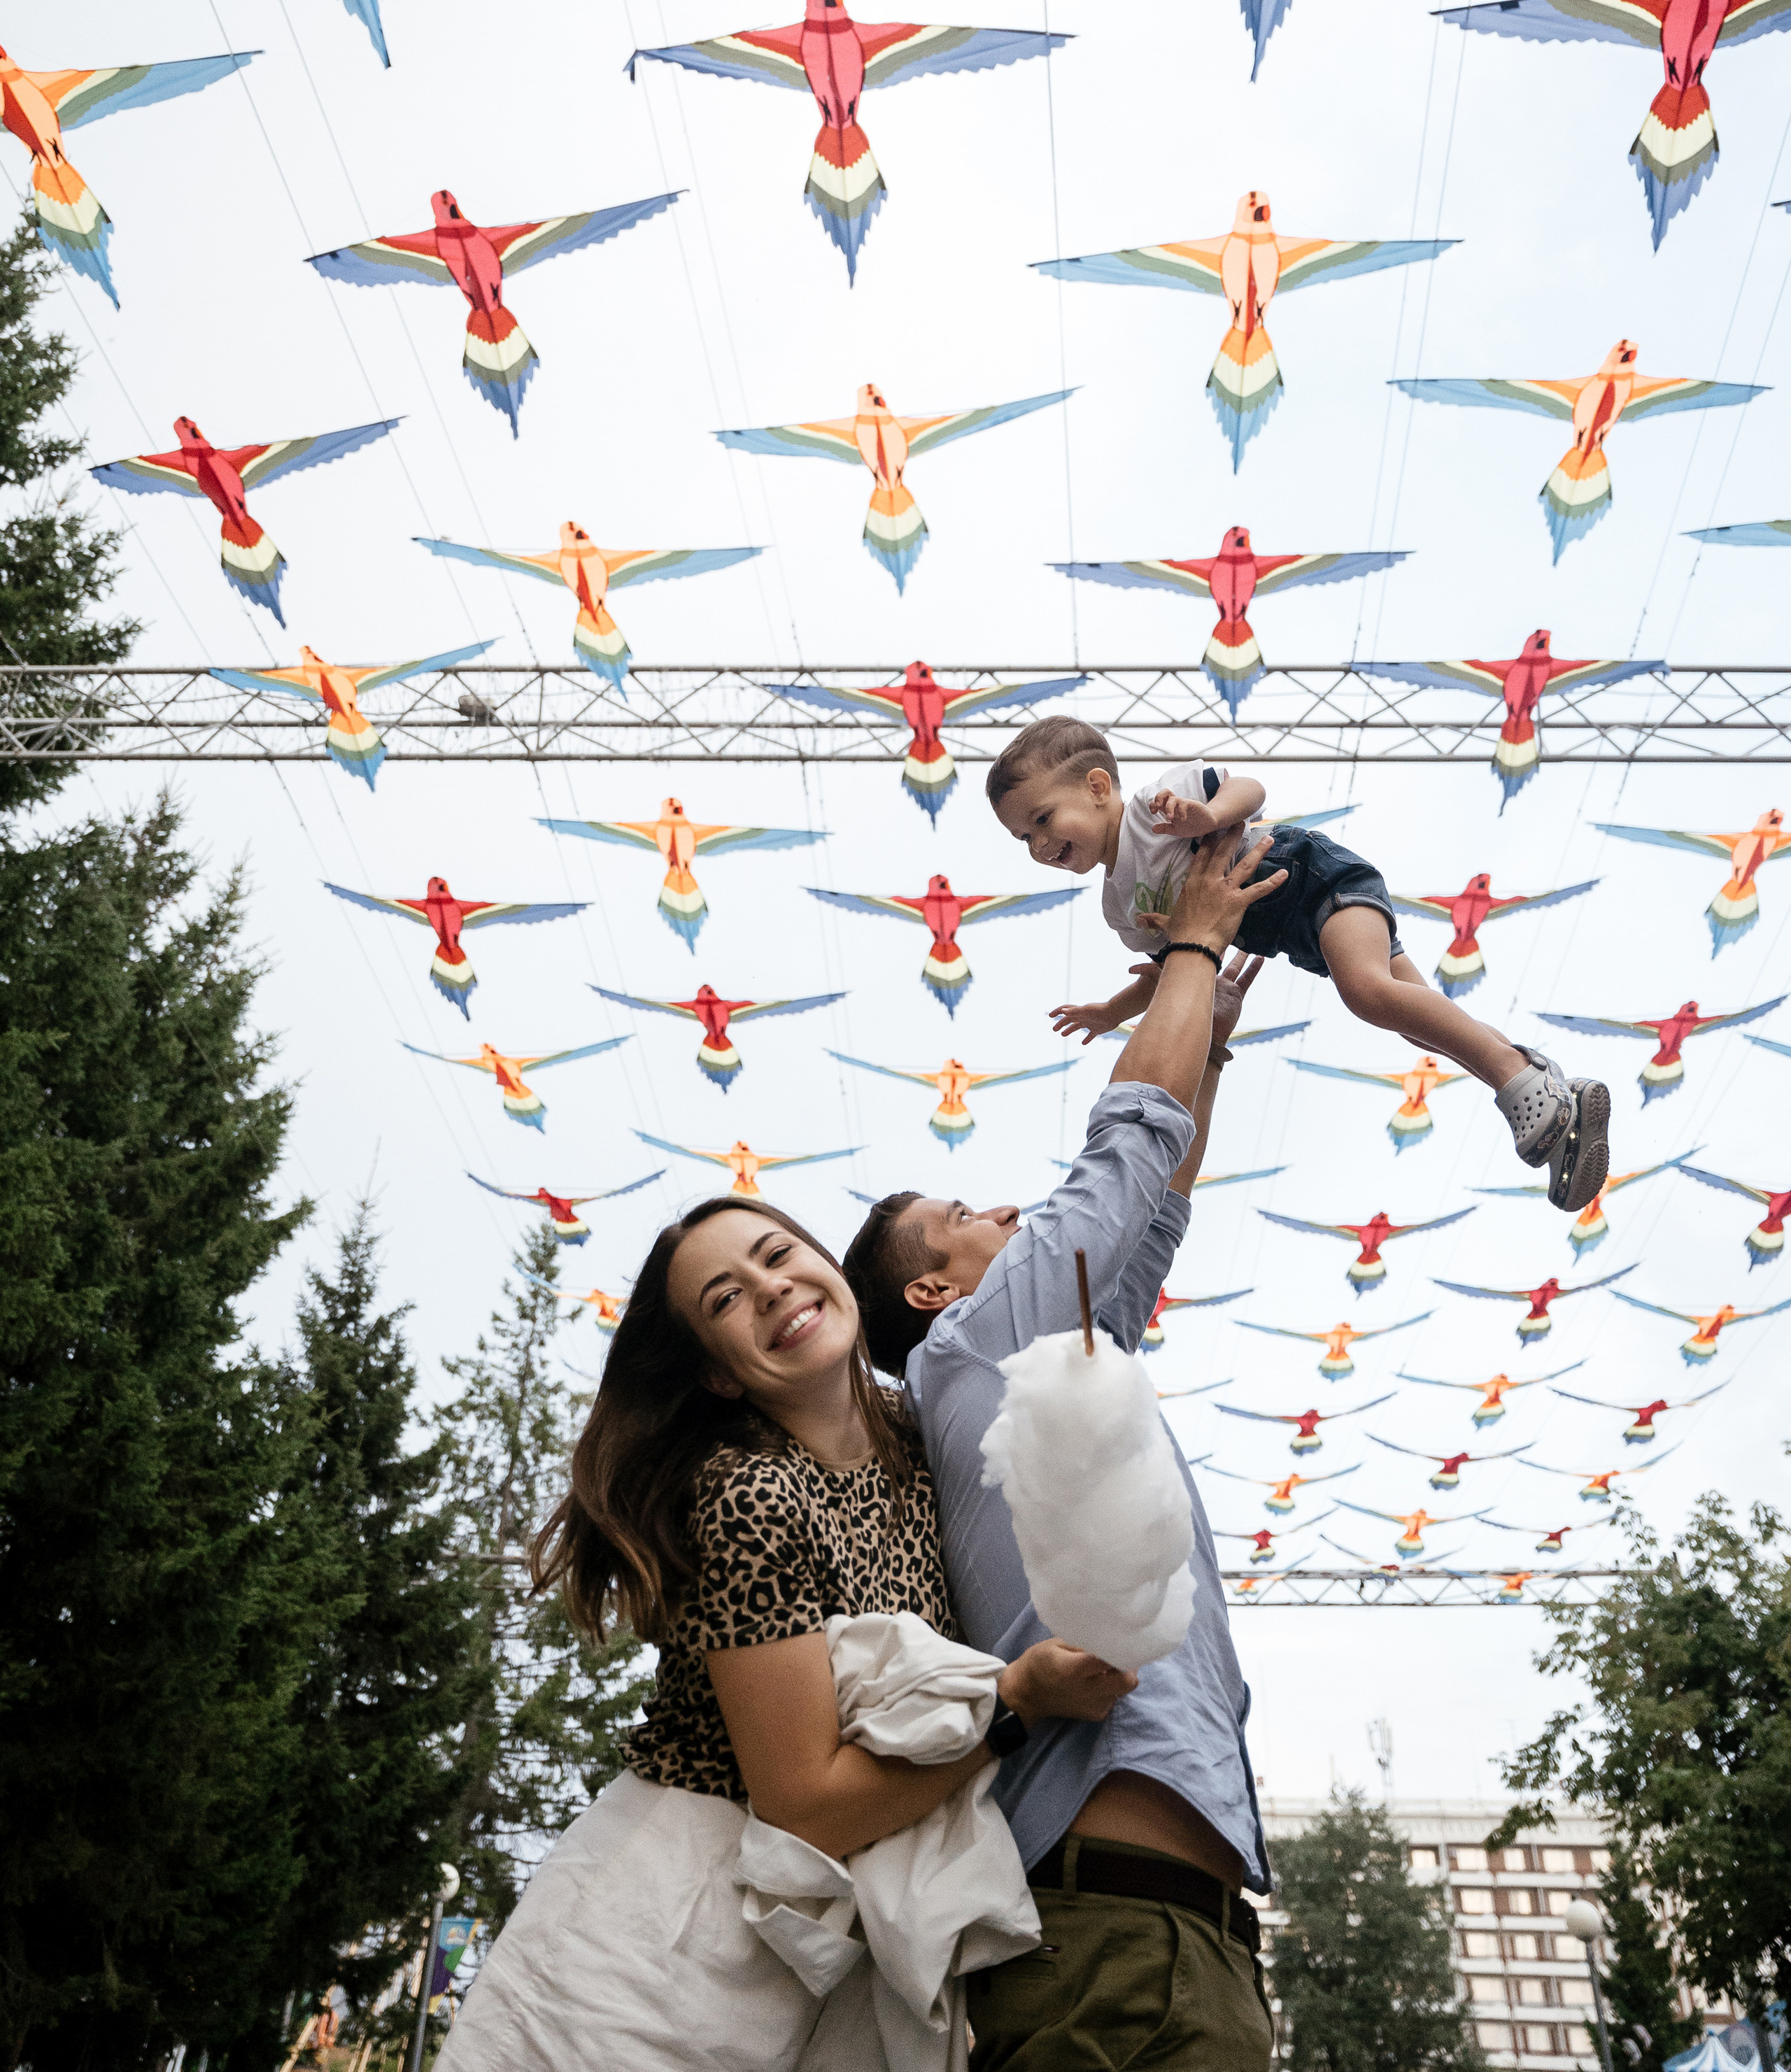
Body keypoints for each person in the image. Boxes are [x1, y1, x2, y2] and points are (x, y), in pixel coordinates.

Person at [439, 1190, 1131, 2072]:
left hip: (812, 1954)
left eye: (775, 1256)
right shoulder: (747, 1493)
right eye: (724, 1299)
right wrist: (1016, 1704)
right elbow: (804, 1803)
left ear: (829, 1271)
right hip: (666, 1935)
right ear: (719, 1374)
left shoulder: (925, 1443)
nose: (767, 1289)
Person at [842, 826, 1291, 2071]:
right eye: (955, 1215)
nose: (994, 1206)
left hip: (1199, 1941)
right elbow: (1119, 1158)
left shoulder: (1040, 1357)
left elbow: (1153, 1218)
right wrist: (1192, 940)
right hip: (1092, 1944)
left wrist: (1210, 1042)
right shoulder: (971, 1346)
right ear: (931, 1293)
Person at [983, 714, 1607, 1210]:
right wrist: (1112, 1010)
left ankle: (1522, 1086)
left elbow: (1250, 788)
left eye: (1042, 820)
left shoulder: (1157, 808)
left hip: (1313, 878)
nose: (1040, 845)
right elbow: (1175, 974)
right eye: (1022, 839)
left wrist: (1212, 815)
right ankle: (1542, 1086)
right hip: (1299, 934)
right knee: (1417, 1018)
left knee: (1367, 993)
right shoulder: (1119, 905)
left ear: (1097, 789)